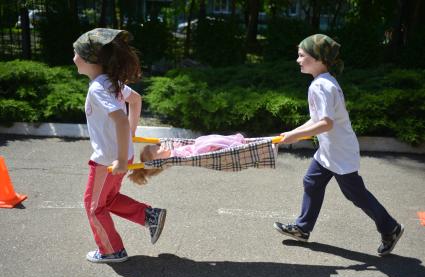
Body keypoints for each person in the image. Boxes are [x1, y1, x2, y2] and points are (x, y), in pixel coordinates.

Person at [273, 34, 404, 256]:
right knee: (312, 182)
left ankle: (390, 228)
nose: (297, 60)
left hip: (340, 152)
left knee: (356, 194)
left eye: (301, 55)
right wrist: (293, 133)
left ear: (317, 58)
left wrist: (296, 138)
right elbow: (318, 120)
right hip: (330, 150)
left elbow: (325, 123)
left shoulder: (321, 86)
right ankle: (303, 228)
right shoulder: (324, 81)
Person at [73, 28, 166, 263]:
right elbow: (135, 100)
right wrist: (130, 135)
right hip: (118, 158)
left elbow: (120, 118)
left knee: (93, 206)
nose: (73, 58)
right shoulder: (110, 82)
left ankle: (111, 250)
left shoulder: (97, 88)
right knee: (108, 200)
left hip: (108, 160)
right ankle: (149, 216)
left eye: (75, 53)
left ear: (88, 59)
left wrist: (122, 158)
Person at [128, 133, 245, 185]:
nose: (161, 146)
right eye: (157, 150)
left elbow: (180, 144)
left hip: (195, 147)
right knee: (207, 143)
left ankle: (231, 142)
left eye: (158, 146)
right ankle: (232, 145)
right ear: (158, 162)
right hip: (197, 153)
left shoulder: (170, 150)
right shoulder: (168, 160)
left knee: (206, 139)